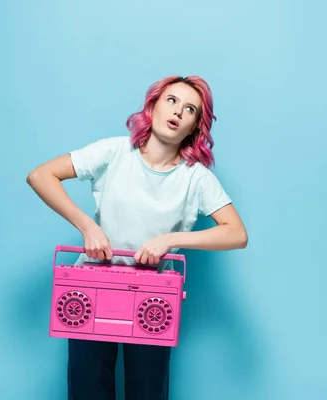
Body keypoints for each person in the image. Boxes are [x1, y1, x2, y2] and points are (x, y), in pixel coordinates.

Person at [26, 75, 248, 400]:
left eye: (189, 109)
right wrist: (87, 226)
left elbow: (236, 233)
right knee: (88, 389)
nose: (177, 111)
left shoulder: (196, 179)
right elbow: (40, 176)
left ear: (194, 127)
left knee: (148, 392)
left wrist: (171, 239)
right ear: (153, 106)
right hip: (92, 287)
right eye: (171, 101)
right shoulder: (114, 151)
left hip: (152, 299)